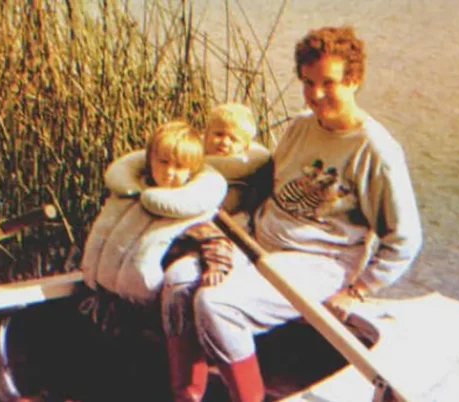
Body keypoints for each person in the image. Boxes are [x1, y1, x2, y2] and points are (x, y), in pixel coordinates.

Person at [161, 26, 424, 402]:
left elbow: (405, 239)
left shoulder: (377, 152)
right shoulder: (301, 126)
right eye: (308, 82)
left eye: (328, 83)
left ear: (354, 80)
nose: (316, 95)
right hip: (260, 241)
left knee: (216, 305)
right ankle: (186, 396)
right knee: (176, 282)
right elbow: (270, 184)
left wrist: (357, 290)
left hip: (320, 259)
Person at [78, 120, 228, 335]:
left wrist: (216, 267)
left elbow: (215, 240)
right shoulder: (129, 195)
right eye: (163, 162)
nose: (169, 172)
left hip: (147, 309)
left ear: (191, 171)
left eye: (179, 167)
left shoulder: (188, 208)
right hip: (106, 296)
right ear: (150, 161)